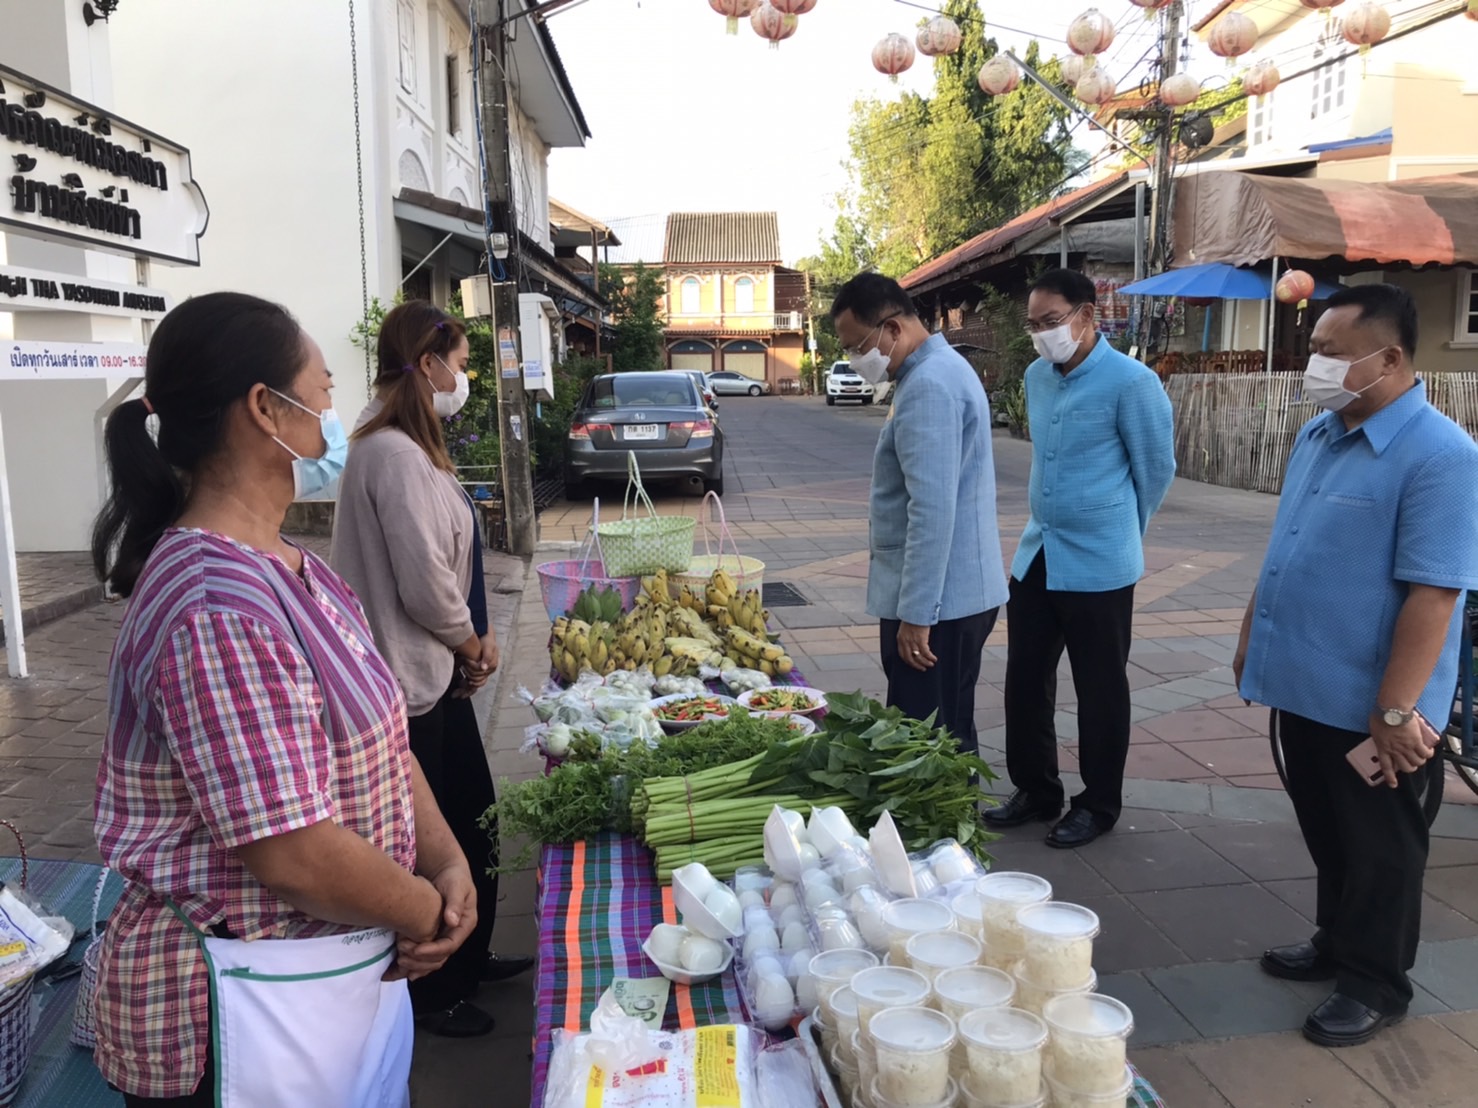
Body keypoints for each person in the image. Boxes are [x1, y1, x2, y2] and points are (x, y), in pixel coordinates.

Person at [90, 292, 476, 1106]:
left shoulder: (294, 568)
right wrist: (424, 911)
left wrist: (445, 861)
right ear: (267, 409)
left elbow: (384, 739)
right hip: (233, 1008)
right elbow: (292, 850)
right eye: (323, 387)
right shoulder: (214, 604)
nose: (334, 409)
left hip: (322, 985)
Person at [1235, 284, 1478, 1047]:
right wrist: (1251, 634)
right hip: (1306, 684)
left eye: (1330, 354)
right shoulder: (1321, 435)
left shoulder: (1441, 456)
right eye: (1314, 351)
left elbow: (1435, 595)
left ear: (1392, 358)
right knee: (1327, 831)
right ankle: (1335, 940)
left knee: (1382, 849)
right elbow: (1285, 548)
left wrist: (1398, 710)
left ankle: (1376, 982)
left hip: (1378, 706)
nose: (1314, 367)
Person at [331, 299, 530, 1040]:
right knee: (433, 844)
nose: (464, 378)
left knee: (474, 824)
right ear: (427, 365)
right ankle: (438, 988)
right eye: (462, 363)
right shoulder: (392, 453)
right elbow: (424, 582)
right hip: (407, 689)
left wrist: (462, 653)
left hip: (432, 680)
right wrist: (470, 640)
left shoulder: (410, 448)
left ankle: (470, 957)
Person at [985, 268, 1175, 848]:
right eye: (1034, 325)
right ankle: (1037, 789)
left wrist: (1120, 531)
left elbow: (1156, 471)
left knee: (1099, 690)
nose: (1043, 335)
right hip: (1039, 553)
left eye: (1052, 322)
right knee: (1025, 681)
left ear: (1087, 317)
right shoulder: (1038, 378)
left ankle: (1098, 804)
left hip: (1101, 567)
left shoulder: (1132, 383)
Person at [831, 272, 1009, 755]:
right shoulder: (940, 369)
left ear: (892, 330)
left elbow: (931, 511)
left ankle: (944, 831)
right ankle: (955, 826)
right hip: (956, 595)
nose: (855, 360)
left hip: (939, 605)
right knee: (949, 728)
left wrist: (916, 616)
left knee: (926, 745)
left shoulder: (929, 385)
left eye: (857, 346)